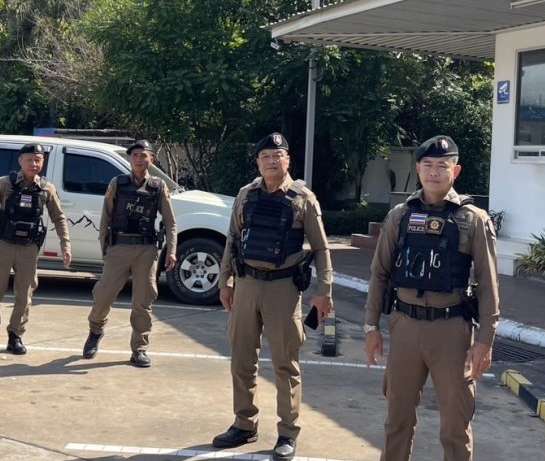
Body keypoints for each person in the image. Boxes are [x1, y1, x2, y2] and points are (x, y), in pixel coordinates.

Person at [363, 135, 500, 461]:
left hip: (451, 331)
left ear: (456, 170)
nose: (434, 172)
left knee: (455, 425)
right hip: (405, 327)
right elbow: (379, 274)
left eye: (442, 165)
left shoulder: (473, 219)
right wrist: (371, 327)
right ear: (418, 169)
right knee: (397, 420)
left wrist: (485, 340)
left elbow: (488, 284)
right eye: (428, 165)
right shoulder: (400, 216)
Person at [211, 132, 333, 461]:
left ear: (288, 160)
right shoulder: (246, 195)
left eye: (277, 155)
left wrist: (325, 291)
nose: (271, 161)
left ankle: (287, 432)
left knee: (285, 363)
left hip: (283, 289)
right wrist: (225, 282)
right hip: (247, 285)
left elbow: (321, 248)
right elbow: (233, 239)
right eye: (265, 156)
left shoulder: (303, 198)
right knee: (241, 360)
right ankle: (244, 424)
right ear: (257, 162)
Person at [82, 139, 178, 368]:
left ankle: (139, 349)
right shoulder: (118, 183)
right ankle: (95, 332)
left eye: (143, 155)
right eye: (134, 155)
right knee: (103, 296)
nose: (138, 159)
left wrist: (172, 250)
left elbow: (170, 222)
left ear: (151, 160)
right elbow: (105, 218)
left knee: (143, 302)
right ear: (129, 159)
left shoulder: (158, 187)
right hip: (119, 248)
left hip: (146, 250)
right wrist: (105, 250)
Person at [0, 142, 71, 355]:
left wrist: (66, 245)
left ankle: (15, 335)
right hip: (3, 245)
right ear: (20, 161)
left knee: (25, 295)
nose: (33, 164)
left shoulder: (46, 189)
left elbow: (59, 218)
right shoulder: (4, 184)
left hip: (28, 249)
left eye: (38, 160)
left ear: (43, 162)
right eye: (29, 160)